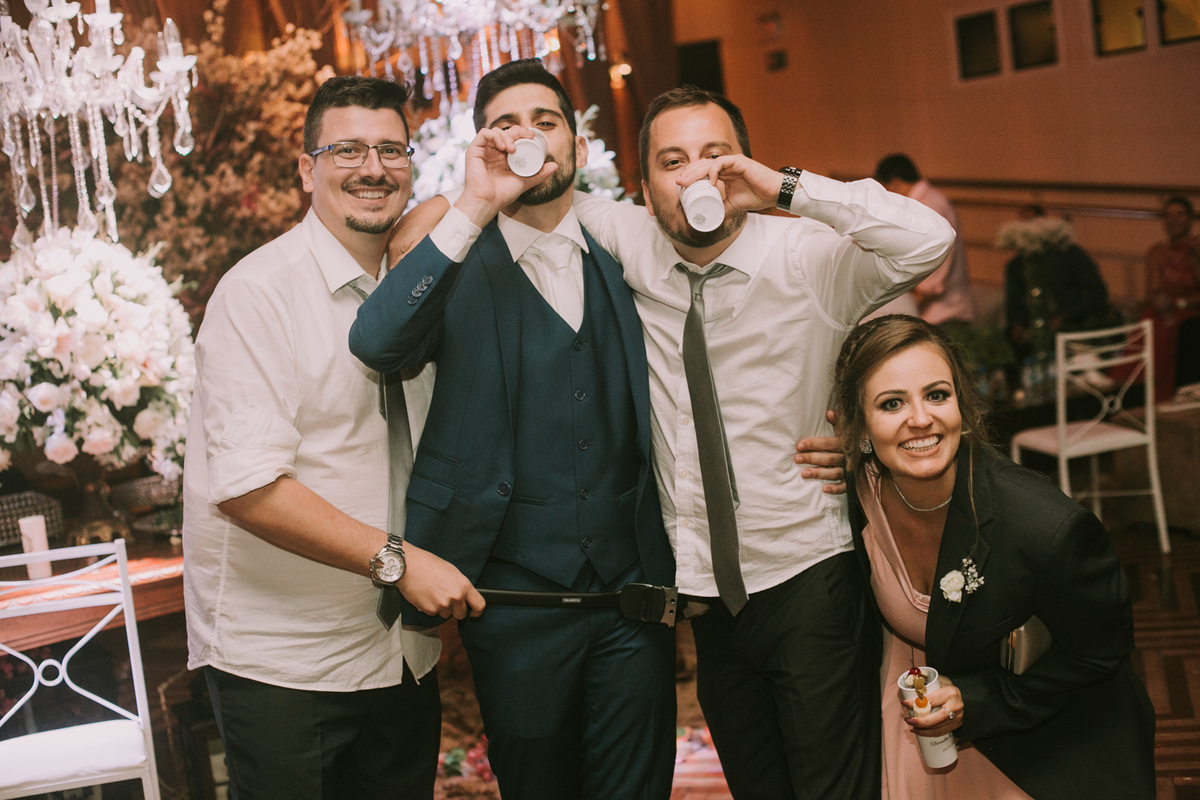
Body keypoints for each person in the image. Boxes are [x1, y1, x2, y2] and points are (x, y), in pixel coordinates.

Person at [559, 87, 955, 799]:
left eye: (715, 155)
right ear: (643, 188)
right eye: (672, 161)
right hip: (706, 599)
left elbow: (928, 238)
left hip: (808, 578)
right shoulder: (632, 238)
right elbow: (556, 198)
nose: (695, 174)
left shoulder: (807, 257)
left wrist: (784, 188)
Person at [349, 60, 678, 800]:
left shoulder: (629, 256)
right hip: (511, 603)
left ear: (577, 146)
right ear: (484, 147)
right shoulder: (454, 254)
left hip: (633, 596)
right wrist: (471, 205)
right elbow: (376, 345)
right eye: (506, 124)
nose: (527, 135)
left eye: (545, 120)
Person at [182, 76, 482, 800]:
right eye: (347, 150)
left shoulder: (424, 286)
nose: (372, 169)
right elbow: (250, 489)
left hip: (400, 652)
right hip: (286, 663)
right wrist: (398, 561)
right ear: (305, 169)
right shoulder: (259, 293)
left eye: (390, 150)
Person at [830, 314, 1156, 800]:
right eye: (892, 403)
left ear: (962, 405)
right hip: (912, 729)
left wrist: (977, 702)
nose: (920, 418)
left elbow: (1099, 652)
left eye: (936, 395)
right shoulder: (858, 494)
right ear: (860, 426)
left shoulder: (1048, 528)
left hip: (1045, 744)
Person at [875, 154, 975, 328]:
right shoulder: (929, 200)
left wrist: (900, 308)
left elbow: (933, 272)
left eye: (885, 190)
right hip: (941, 311)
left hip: (944, 314)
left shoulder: (927, 206)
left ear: (896, 183)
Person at [1002, 205, 1110, 359]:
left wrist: (1064, 317)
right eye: (1022, 225)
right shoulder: (1016, 266)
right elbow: (1013, 300)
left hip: (1072, 328)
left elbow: (1098, 293)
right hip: (1032, 333)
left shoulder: (1070, 255)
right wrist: (1016, 324)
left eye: (1031, 223)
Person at [1143, 195, 1200, 399]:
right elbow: (1153, 289)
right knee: (1149, 325)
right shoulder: (1157, 251)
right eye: (1168, 216)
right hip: (1163, 311)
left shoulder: (1196, 249)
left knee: (1185, 331)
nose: (1173, 220)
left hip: (1191, 310)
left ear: (1190, 218)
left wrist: (1181, 304)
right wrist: (1166, 311)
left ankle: (1176, 394)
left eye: (1179, 214)